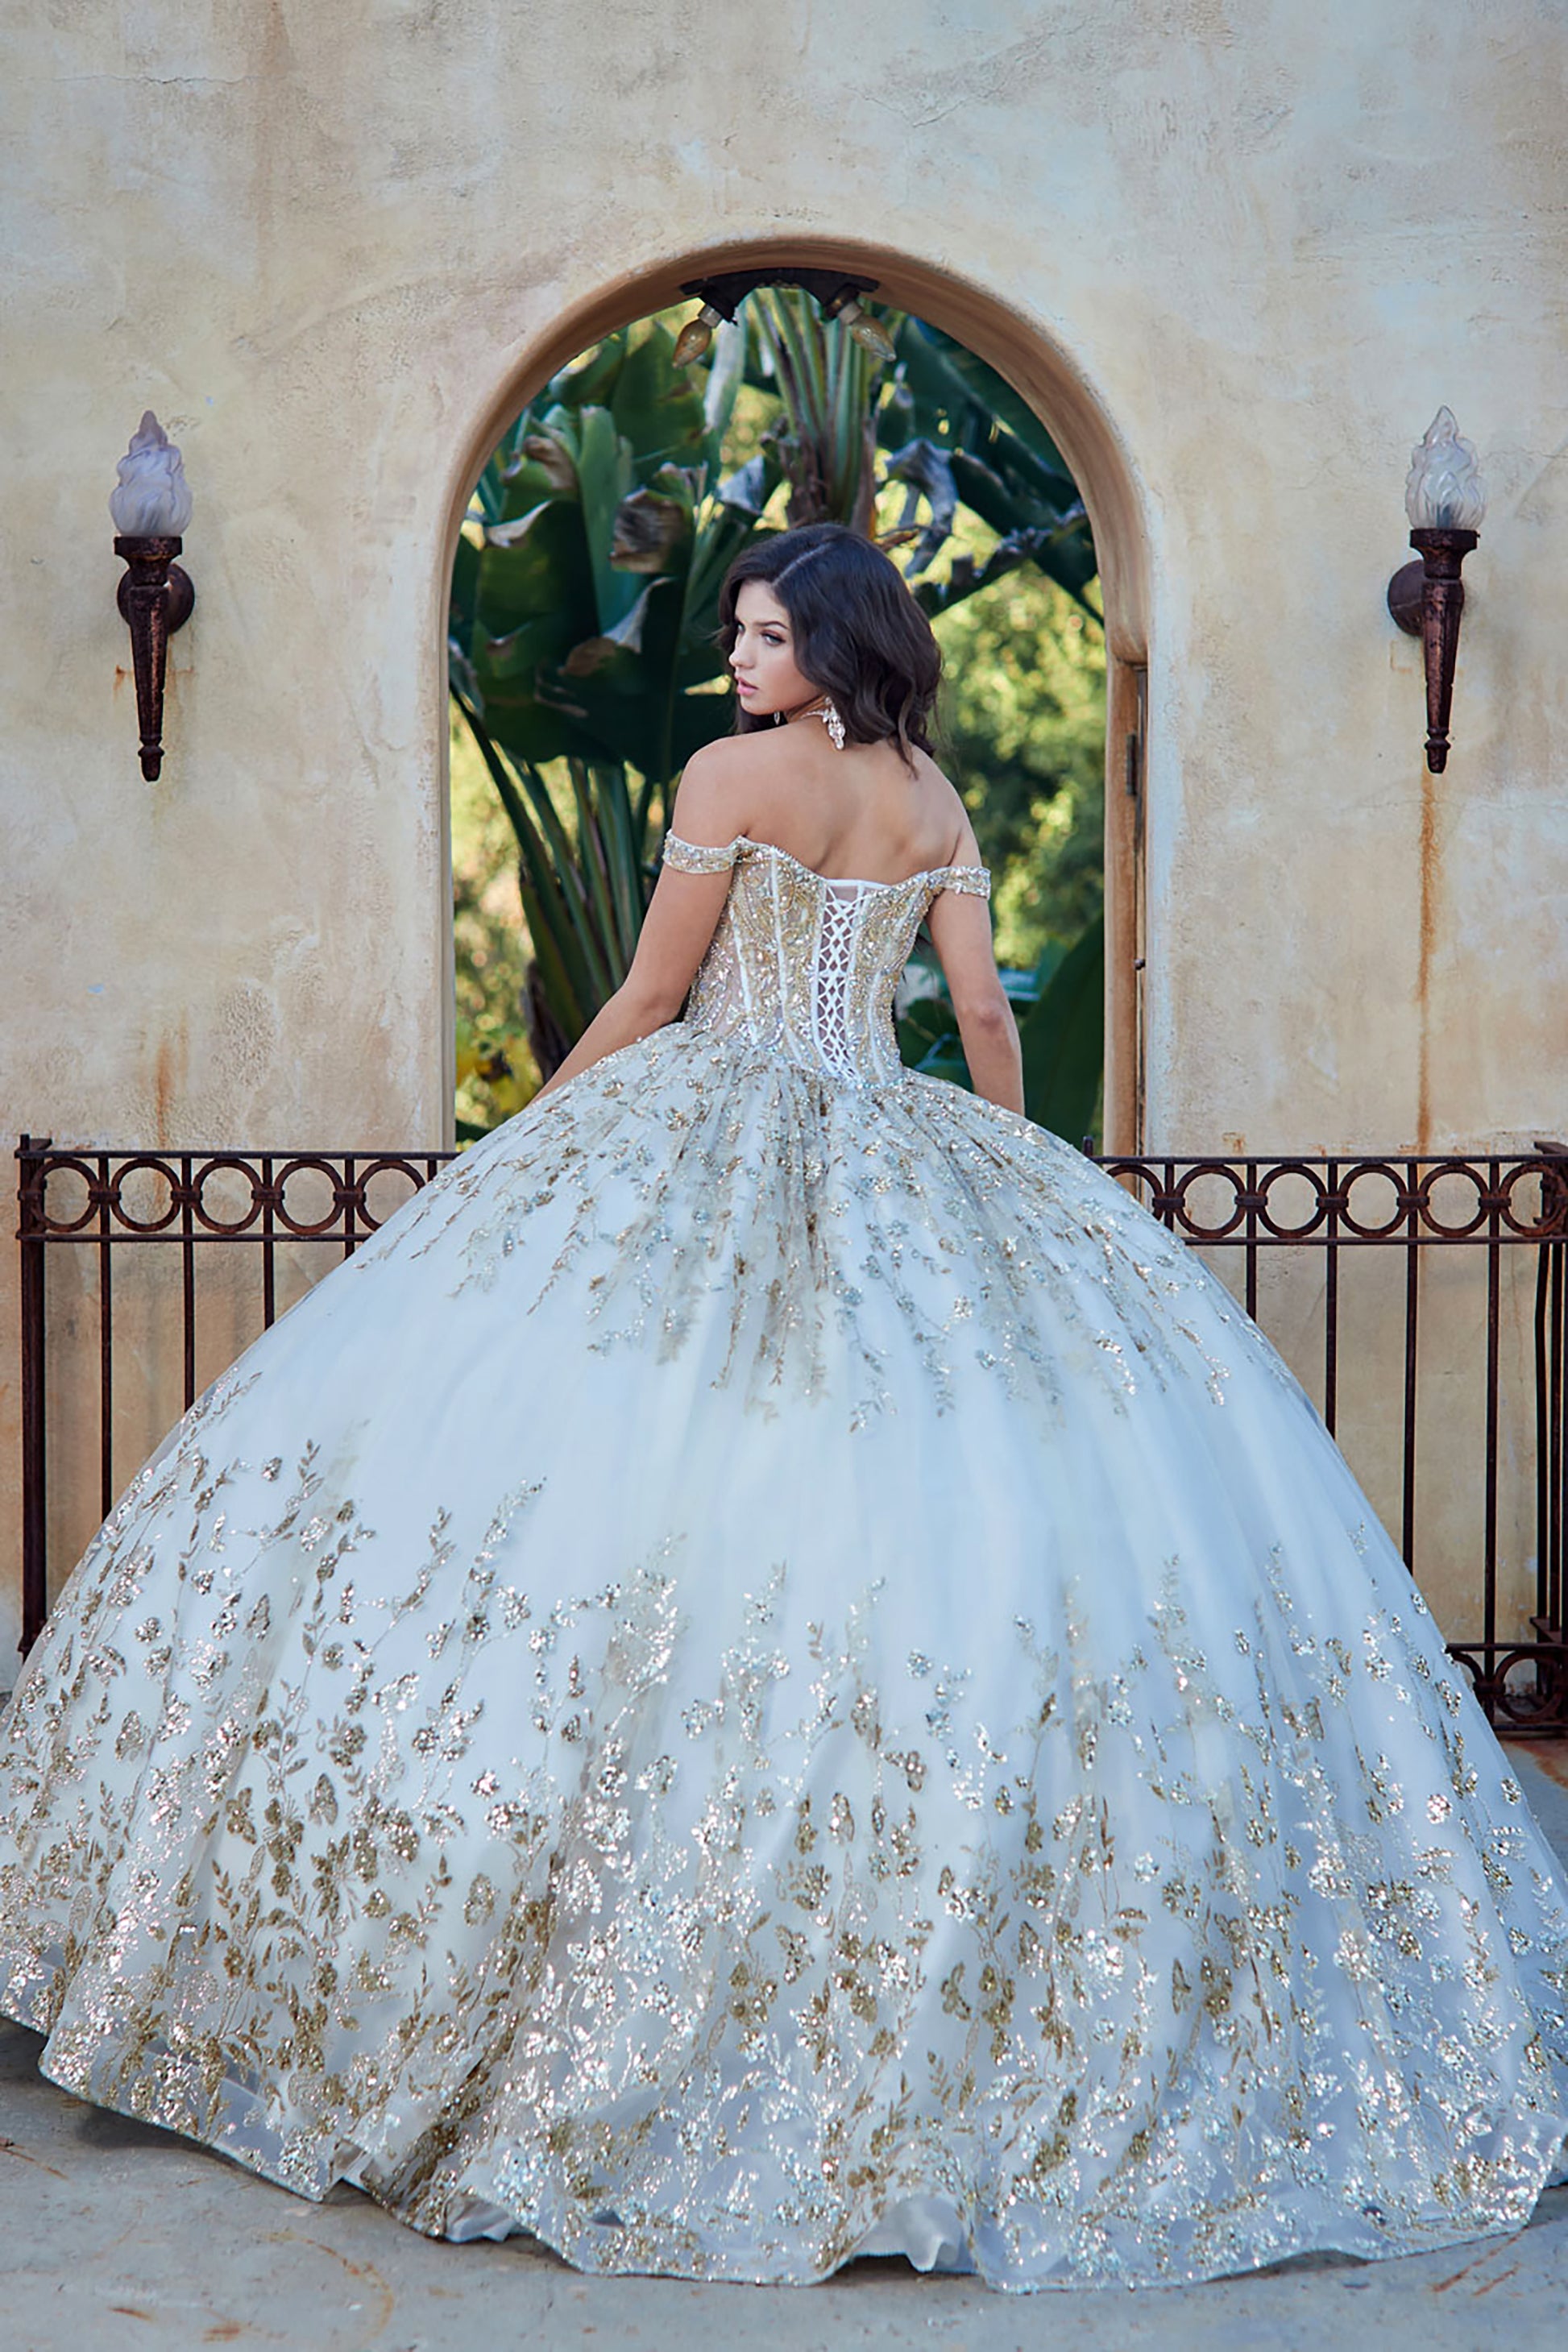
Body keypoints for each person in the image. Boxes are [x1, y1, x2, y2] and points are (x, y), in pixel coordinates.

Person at [0, 522, 1563, 2292]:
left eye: (760, 632)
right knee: (894, 1491)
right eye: (734, 635)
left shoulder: (732, 773)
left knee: (646, 1476)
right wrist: (1019, 1171)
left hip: (713, 1121)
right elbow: (978, 1013)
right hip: (900, 1138)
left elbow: (660, 989)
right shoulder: (934, 798)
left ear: (829, 638)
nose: (734, 658)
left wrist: (514, 1152)